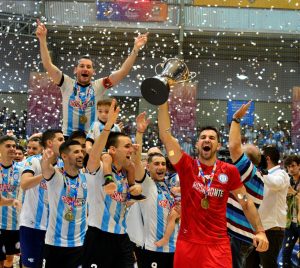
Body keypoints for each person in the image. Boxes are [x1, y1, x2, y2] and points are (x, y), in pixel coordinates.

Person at [157, 102, 269, 268]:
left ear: (218, 145)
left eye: (211, 138)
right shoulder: (187, 166)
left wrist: (260, 230)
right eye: (202, 137)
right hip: (187, 244)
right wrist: (162, 102)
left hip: (218, 247)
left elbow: (245, 201)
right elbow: (166, 137)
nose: (206, 140)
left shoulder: (229, 171)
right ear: (197, 144)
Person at [36, 19, 148, 137]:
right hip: (68, 136)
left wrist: (135, 49)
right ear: (75, 70)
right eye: (82, 66)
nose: (85, 69)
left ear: (93, 72)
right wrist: (42, 39)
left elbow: (123, 72)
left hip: (92, 137)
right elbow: (48, 65)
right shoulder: (66, 83)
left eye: (89, 67)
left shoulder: (99, 85)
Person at [82, 100, 139, 268]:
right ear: (112, 150)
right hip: (99, 237)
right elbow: (94, 154)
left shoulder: (126, 173)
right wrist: (107, 126)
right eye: (127, 146)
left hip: (122, 238)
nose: (132, 149)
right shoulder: (98, 168)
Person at [227, 101, 265, 268]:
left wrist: (236, 119)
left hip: (235, 235)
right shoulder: (256, 177)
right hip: (242, 236)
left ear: (246, 160)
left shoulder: (248, 171)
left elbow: (234, 147)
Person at [20, 129, 64, 268]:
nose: (64, 142)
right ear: (50, 143)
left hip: (56, 228)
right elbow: (25, 184)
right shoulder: (33, 161)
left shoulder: (64, 164)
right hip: (32, 225)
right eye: (61, 139)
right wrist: (48, 174)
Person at [41, 140, 87, 268]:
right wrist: (47, 158)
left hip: (80, 243)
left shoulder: (86, 177)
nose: (81, 155)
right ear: (65, 156)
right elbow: (45, 167)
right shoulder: (55, 174)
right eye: (76, 152)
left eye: (82, 151)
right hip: (55, 243)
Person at [258, 146, 290, 268]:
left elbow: (275, 184)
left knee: (269, 265)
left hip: (273, 229)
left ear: (267, 159)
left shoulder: (281, 174)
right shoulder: (263, 175)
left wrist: (261, 171)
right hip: (260, 228)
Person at [0, 136, 22, 268]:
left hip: (14, 223)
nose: (12, 148)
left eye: (14, 146)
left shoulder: (21, 170)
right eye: (8, 146)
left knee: (9, 259)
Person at [281, 155, 300, 267]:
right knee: (285, 254)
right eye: (288, 167)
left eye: (293, 166)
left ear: (299, 165)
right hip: (290, 223)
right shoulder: (288, 182)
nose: (291, 169)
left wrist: (294, 193)